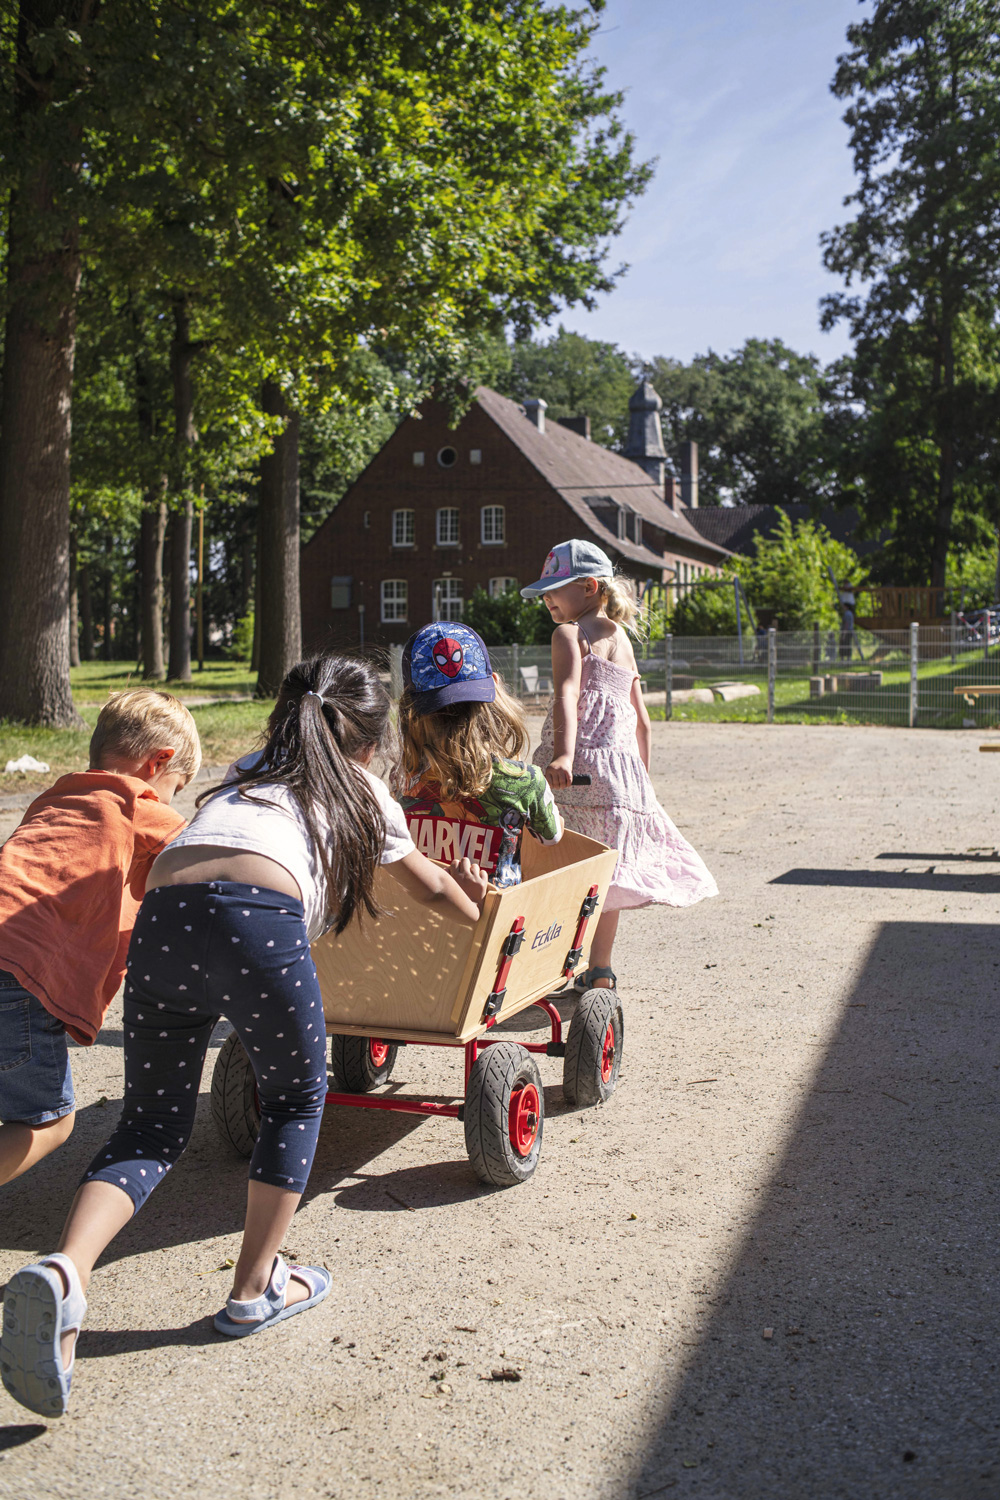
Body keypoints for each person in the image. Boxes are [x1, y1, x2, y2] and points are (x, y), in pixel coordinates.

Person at [1, 654, 486, 1419]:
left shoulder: (243, 771)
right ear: (368, 741)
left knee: (151, 1126)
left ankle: (67, 1271)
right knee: (296, 1096)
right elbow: (427, 883)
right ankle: (255, 1288)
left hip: (165, 916)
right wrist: (480, 911)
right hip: (255, 921)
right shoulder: (363, 791)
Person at [0, 689, 199, 1189]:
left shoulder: (55, 796)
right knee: (46, 1120)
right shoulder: (137, 801)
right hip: (18, 972)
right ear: (159, 763)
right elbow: (203, 858)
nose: (168, 799)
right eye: (175, 786)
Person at [523, 539, 718, 990]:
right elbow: (642, 721)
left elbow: (568, 693)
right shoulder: (622, 640)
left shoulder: (570, 635)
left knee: (558, 861)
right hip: (619, 778)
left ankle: (556, 961)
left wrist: (563, 755)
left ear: (589, 587)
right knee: (604, 874)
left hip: (575, 772)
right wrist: (641, 783)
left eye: (555, 589)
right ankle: (600, 969)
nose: (547, 599)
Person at [394, 622, 562, 888]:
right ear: (494, 685)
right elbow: (551, 838)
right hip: (496, 920)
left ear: (409, 705)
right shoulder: (527, 780)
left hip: (423, 917)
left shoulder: (402, 778)